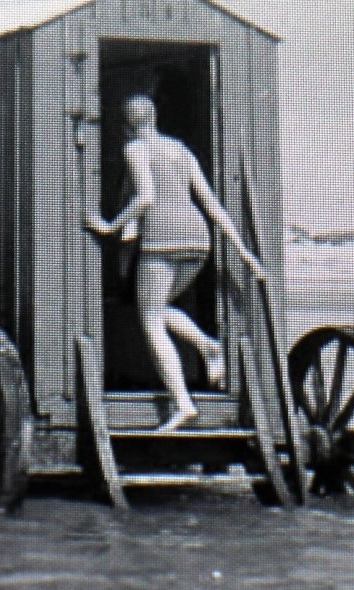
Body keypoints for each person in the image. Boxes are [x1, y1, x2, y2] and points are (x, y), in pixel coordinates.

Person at [85, 94, 266, 431]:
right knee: (159, 306)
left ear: (126, 127)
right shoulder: (181, 150)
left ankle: (183, 403)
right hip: (198, 238)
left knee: (150, 319)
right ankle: (209, 346)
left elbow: (146, 196)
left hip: (162, 237)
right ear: (154, 117)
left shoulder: (135, 150)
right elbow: (212, 203)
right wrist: (244, 252)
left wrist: (111, 226)